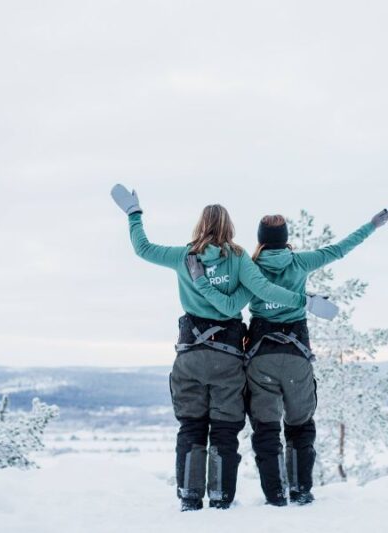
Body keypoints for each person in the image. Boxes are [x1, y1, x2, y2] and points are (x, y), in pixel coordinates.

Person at [110, 184, 338, 511]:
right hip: (229, 359)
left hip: (190, 355)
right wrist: (306, 301)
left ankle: (190, 499)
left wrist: (134, 214)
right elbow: (264, 290)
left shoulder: (183, 256)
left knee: (191, 426)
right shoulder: (240, 259)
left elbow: (143, 249)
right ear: (230, 227)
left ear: (200, 225)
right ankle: (220, 499)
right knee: (225, 430)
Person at [187, 207, 388, 506]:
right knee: (300, 425)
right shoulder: (300, 262)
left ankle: (275, 496)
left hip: (260, 357)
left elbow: (229, 301)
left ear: (260, 239)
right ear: (285, 239)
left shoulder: (248, 265)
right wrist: (372, 225)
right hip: (296, 353)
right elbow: (340, 249)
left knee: (266, 428)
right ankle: (301, 490)